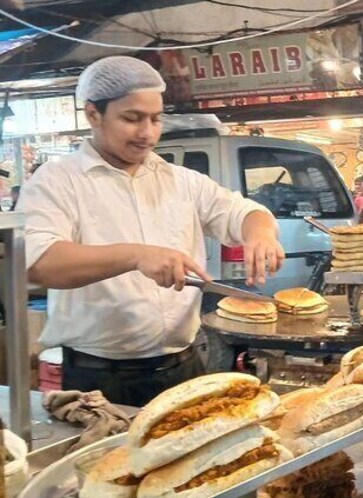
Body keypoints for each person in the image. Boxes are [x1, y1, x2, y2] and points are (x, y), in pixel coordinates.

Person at [18, 56, 284, 406]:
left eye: (155, 119)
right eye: (132, 118)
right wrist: (136, 255)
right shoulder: (57, 181)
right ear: (93, 114)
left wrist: (260, 233)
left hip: (184, 368)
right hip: (99, 380)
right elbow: (40, 263)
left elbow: (245, 211)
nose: (147, 133)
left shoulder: (180, 181)